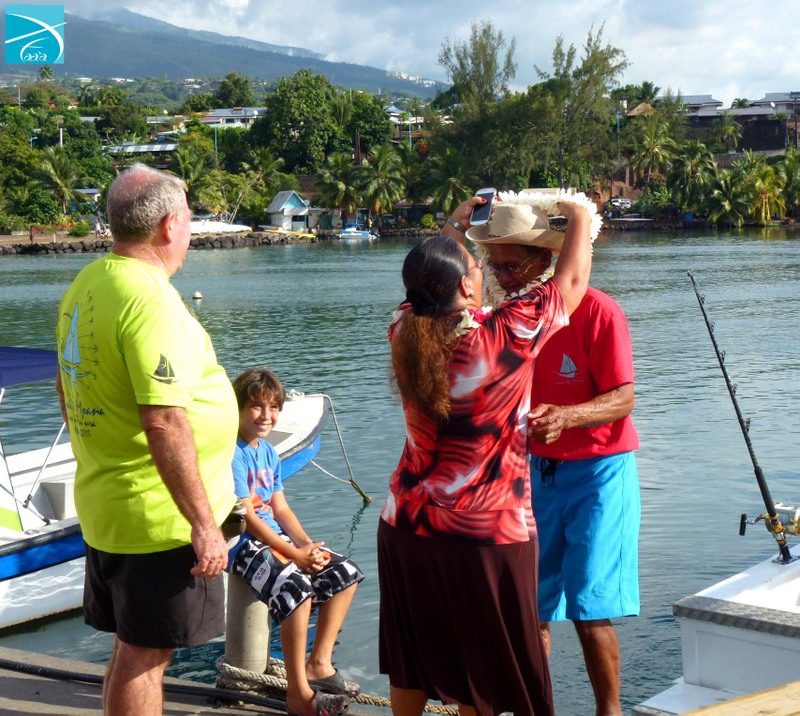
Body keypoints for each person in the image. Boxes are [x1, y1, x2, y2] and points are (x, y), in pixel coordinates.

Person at [378, 198, 592, 716]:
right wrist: (581, 217)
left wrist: (455, 224)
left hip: (406, 525)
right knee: (487, 672)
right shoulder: (504, 334)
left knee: (414, 658)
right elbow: (570, 282)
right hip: (485, 534)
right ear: (467, 286)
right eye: (478, 265)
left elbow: (428, 280)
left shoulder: (404, 328)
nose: (485, 270)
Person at [55, 163, 238, 716]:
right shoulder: (148, 299)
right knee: (146, 657)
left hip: (112, 504)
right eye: (189, 219)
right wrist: (203, 525)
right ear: (168, 225)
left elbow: (66, 389)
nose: (190, 231)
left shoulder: (88, 283)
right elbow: (163, 421)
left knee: (132, 647)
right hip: (158, 522)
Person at [467, 200, 640, 716]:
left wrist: (569, 416)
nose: (502, 277)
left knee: (590, 607)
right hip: (535, 474)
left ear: (545, 261)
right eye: (495, 266)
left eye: (512, 266)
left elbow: (624, 398)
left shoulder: (600, 310)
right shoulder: (507, 318)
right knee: (529, 607)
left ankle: (609, 710)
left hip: (599, 473)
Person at [229, 367, 364, 716]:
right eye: (256, 406)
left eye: (274, 407)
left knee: (345, 572)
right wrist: (294, 555)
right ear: (237, 407)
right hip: (243, 543)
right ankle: (297, 693)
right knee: (296, 588)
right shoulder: (233, 453)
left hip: (276, 538)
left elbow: (281, 507)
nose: (266, 415)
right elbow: (249, 518)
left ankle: (319, 664)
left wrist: (308, 547)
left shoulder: (267, 452)